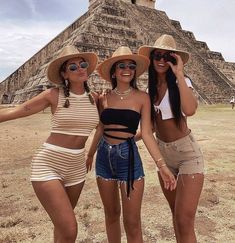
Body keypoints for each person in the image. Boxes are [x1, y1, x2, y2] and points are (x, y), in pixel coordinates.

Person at [0, 45, 99, 243]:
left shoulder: (95, 98)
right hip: (49, 164)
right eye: (73, 67)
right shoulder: (53, 95)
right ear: (64, 74)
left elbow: (102, 128)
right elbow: (17, 111)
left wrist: (90, 154)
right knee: (70, 228)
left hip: (77, 168)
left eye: (83, 64)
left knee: (62, 227)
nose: (80, 68)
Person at [86, 46, 177, 243]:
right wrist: (90, 154)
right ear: (113, 71)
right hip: (104, 157)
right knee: (111, 216)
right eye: (121, 66)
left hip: (129, 158)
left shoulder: (142, 97)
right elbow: (100, 129)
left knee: (132, 222)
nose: (127, 69)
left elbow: (146, 133)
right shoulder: (104, 97)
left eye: (131, 66)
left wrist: (162, 166)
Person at [138, 34, 204, 243]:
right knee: (176, 215)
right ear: (151, 58)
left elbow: (190, 110)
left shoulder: (182, 82)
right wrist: (126, 139)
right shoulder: (149, 91)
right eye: (157, 55)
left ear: (173, 59)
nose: (161, 60)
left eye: (167, 56)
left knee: (185, 220)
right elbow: (150, 128)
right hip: (164, 155)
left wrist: (180, 73)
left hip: (187, 154)